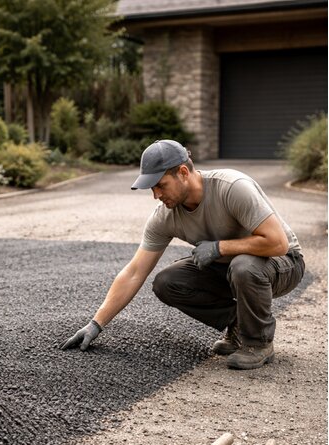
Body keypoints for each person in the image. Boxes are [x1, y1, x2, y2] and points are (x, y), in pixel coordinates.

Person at [61, 139, 305, 369]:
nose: (156, 195)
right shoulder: (165, 215)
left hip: (282, 263)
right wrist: (96, 324)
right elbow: (135, 272)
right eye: (152, 188)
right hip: (229, 267)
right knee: (168, 282)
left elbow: (277, 243)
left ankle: (258, 343)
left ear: (183, 173)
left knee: (243, 266)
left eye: (160, 185)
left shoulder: (232, 188)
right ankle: (240, 325)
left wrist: (220, 247)